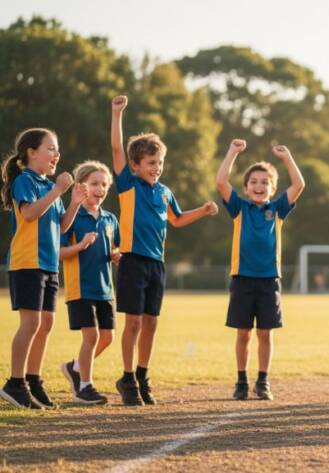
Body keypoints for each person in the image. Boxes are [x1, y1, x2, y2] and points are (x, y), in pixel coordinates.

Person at [111, 95, 219, 406]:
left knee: (151, 322)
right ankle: (127, 377)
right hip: (132, 260)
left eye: (159, 163)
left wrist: (203, 209)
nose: (156, 168)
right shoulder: (128, 185)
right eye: (150, 163)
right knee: (132, 322)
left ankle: (143, 375)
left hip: (156, 265)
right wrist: (117, 114)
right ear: (135, 165)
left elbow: (177, 219)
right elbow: (117, 149)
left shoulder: (165, 191)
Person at [0, 128, 87, 409]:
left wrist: (73, 203)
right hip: (28, 261)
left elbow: (61, 226)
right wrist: (59, 189)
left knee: (46, 324)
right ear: (31, 153)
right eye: (51, 148)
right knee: (32, 323)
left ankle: (33, 380)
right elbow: (29, 213)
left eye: (57, 149)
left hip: (48, 263)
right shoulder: (26, 180)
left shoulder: (50, 188)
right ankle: (15, 383)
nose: (56, 155)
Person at [216, 139, 304, 401]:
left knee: (265, 333)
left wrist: (287, 157)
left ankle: (262, 381)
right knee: (243, 333)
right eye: (254, 181)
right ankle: (241, 380)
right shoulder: (239, 209)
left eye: (265, 182)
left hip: (269, 281)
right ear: (246, 187)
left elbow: (299, 185)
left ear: (272, 188)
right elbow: (221, 182)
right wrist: (232, 151)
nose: (259, 186)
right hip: (243, 280)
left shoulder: (276, 209)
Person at [59, 161, 121, 405]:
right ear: (81, 186)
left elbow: (114, 247)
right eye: (94, 183)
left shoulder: (110, 219)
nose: (100, 188)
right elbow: (59, 252)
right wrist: (80, 245)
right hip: (80, 287)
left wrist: (117, 254)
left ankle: (75, 367)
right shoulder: (72, 217)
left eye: (104, 184)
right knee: (92, 336)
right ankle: (84, 387)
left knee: (107, 337)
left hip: (105, 289)